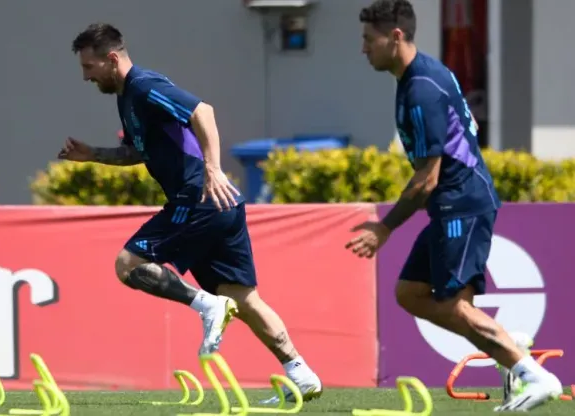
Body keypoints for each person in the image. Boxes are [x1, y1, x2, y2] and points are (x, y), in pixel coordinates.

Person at [58, 23, 322, 403]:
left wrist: (213, 168)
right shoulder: (127, 97)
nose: (85, 76)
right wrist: (93, 155)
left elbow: (203, 112)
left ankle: (207, 305)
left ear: (112, 59)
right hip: (221, 205)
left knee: (128, 264)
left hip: (196, 198)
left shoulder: (145, 86)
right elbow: (137, 152)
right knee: (244, 298)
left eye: (89, 67)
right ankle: (301, 373)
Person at [346, 0, 562, 412]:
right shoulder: (417, 76)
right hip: (452, 205)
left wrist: (384, 227)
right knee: (410, 293)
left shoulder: (422, 87)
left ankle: (533, 374)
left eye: (367, 40)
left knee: (452, 305)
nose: (363, 48)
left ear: (395, 37)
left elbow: (427, 178)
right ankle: (507, 344)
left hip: (461, 204)